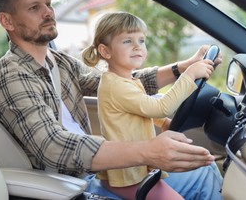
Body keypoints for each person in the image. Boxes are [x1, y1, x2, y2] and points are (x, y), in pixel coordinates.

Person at [0, 0, 223, 199]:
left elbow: (115, 82)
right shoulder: (12, 75)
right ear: (7, 21)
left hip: (91, 172)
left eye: (48, 4)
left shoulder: (58, 62)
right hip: (68, 186)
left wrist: (181, 68)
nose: (48, 12)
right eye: (34, 8)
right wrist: (147, 151)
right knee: (201, 176)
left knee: (205, 171)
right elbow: (53, 146)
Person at [82, 11, 218, 199]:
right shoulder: (116, 86)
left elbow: (142, 109)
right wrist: (189, 75)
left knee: (206, 167)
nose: (137, 47)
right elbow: (161, 107)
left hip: (136, 170)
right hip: (127, 176)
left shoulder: (126, 81)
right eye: (127, 41)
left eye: (142, 40)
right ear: (106, 51)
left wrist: (164, 124)